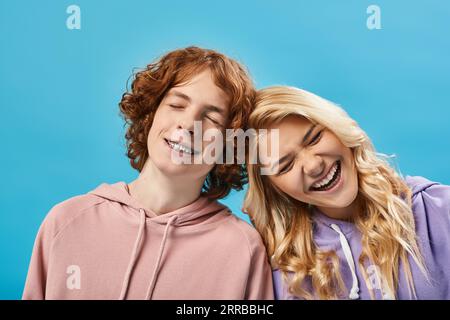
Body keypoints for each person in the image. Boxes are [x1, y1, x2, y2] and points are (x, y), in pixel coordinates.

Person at [22, 47, 274, 300]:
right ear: (150, 115)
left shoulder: (244, 249)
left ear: (229, 144)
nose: (187, 125)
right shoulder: (67, 221)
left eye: (211, 119)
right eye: (177, 105)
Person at [243, 85, 450, 299]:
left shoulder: (436, 210)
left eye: (314, 138)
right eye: (285, 165)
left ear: (337, 127)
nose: (314, 166)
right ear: (274, 188)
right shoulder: (284, 273)